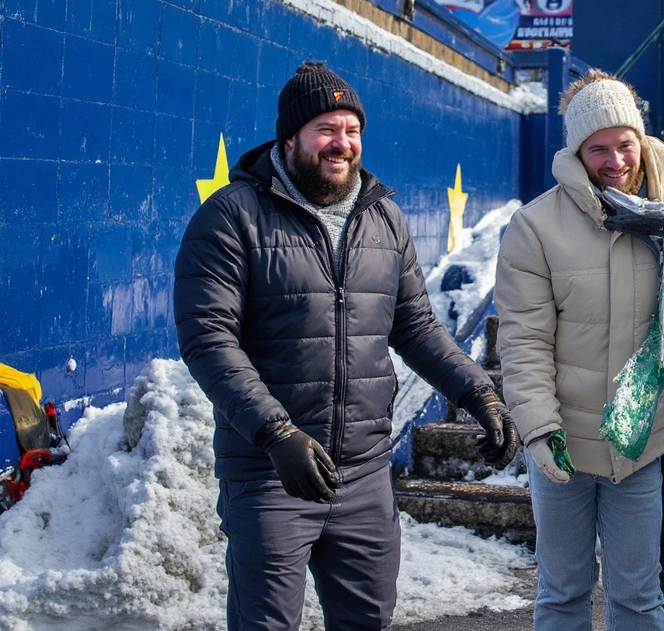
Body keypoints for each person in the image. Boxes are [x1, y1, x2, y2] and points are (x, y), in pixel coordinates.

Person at [174, 61, 519, 631]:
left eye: (352, 130)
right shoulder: (231, 218)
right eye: (326, 130)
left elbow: (416, 328)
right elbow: (208, 339)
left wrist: (479, 393)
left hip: (363, 474)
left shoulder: (382, 216)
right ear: (290, 139)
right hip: (270, 473)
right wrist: (276, 432)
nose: (342, 144)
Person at [495, 69, 664, 630]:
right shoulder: (536, 227)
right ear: (576, 151)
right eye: (598, 149)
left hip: (641, 441)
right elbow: (523, 340)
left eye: (625, 144)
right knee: (564, 591)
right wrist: (539, 428)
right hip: (564, 441)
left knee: (639, 595)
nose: (616, 160)